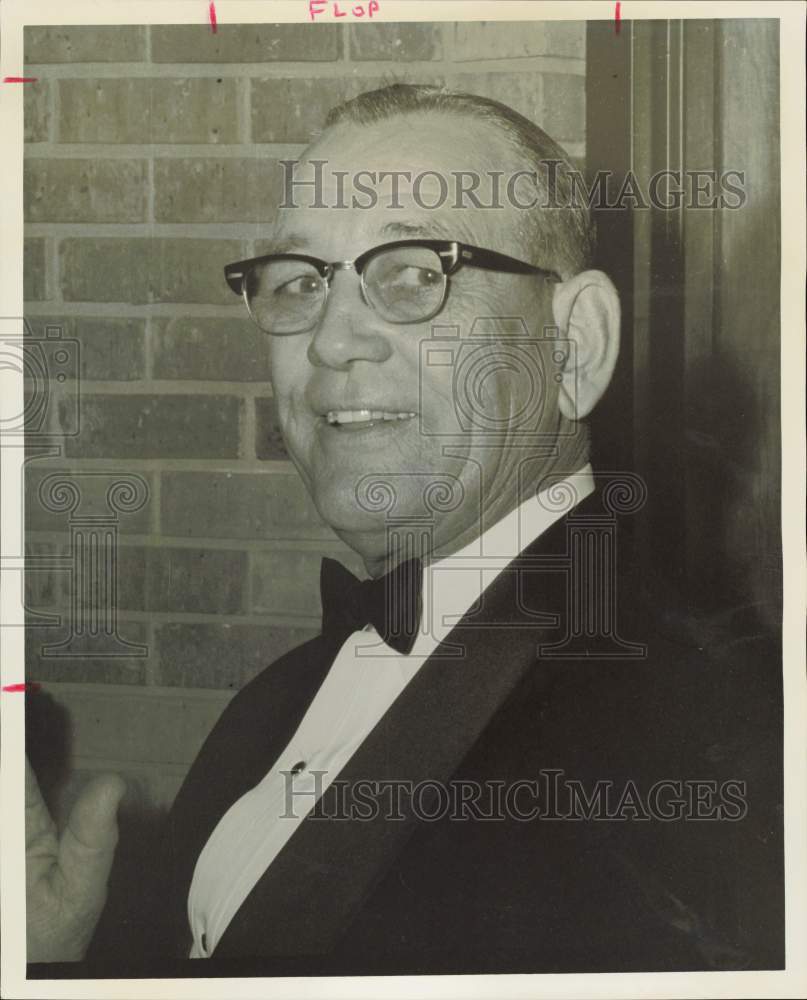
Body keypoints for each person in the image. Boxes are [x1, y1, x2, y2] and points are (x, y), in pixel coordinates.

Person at [25, 84, 782, 976]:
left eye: (416, 273)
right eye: (301, 282)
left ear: (573, 343)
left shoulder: (722, 747)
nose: (332, 341)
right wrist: (56, 964)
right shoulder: (276, 698)